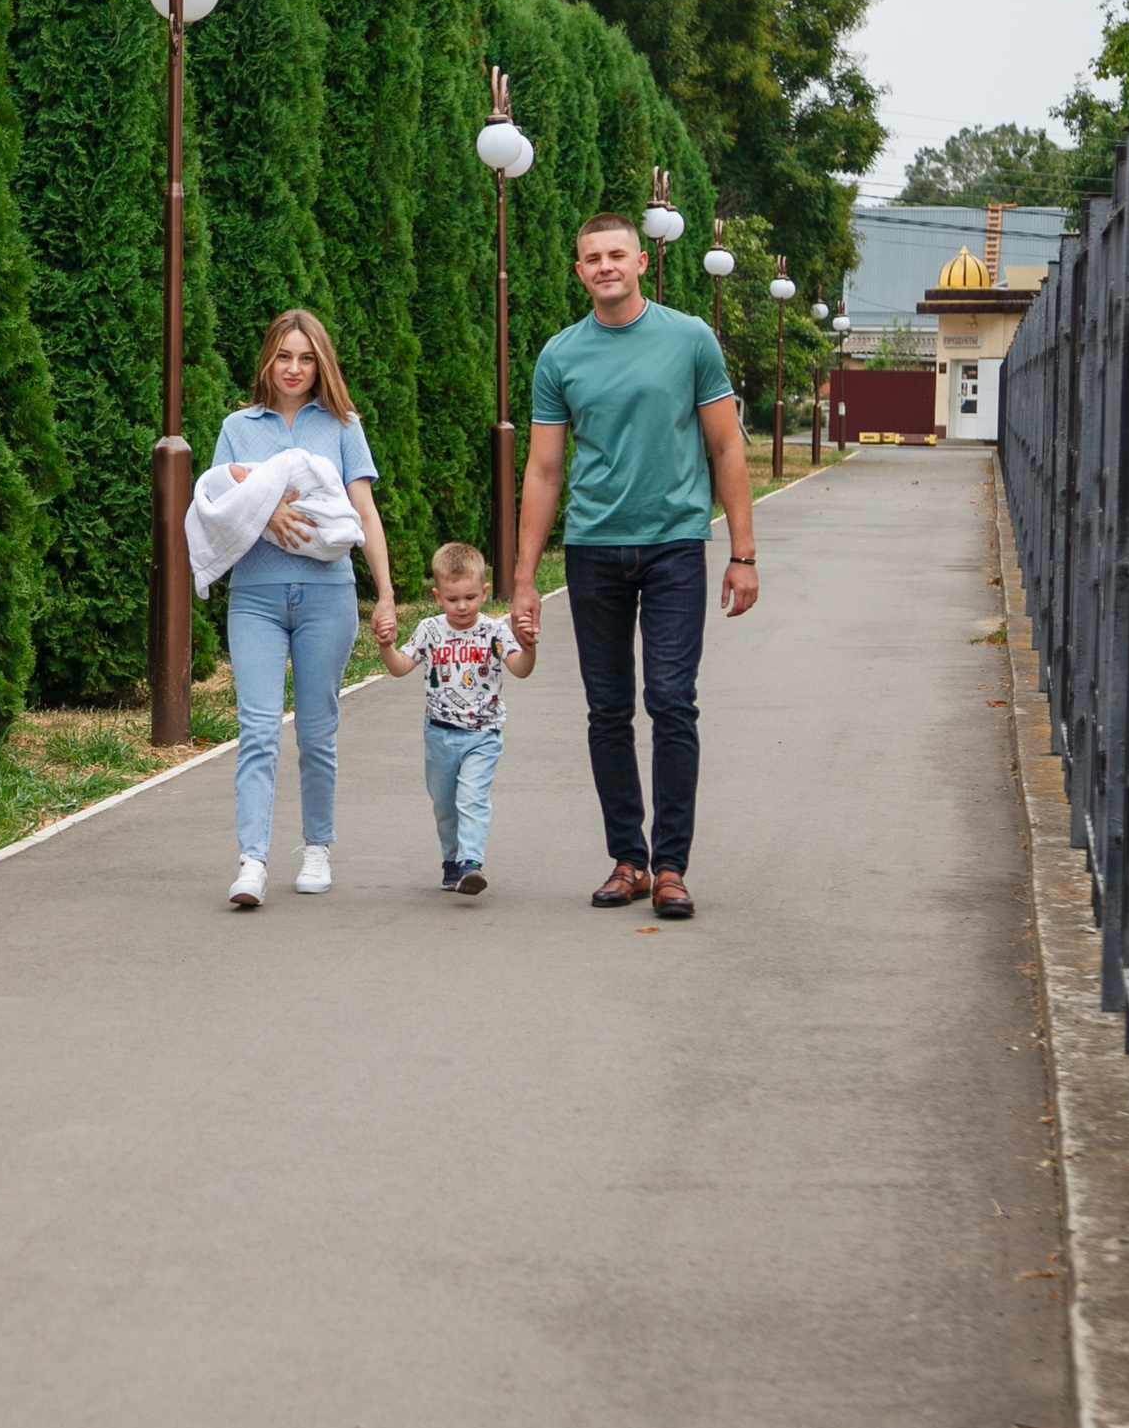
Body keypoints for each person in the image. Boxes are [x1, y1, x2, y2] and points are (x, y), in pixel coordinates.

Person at [508, 212, 757, 921]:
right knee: (607, 708)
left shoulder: (689, 340)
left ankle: (672, 866)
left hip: (676, 542)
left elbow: (727, 449)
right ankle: (629, 859)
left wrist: (743, 553)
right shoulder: (560, 356)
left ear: (642, 262)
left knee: (672, 700)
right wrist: (526, 579)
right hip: (592, 549)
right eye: (593, 257)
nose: (606, 265)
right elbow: (545, 469)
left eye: (618, 253)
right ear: (579, 271)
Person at [212, 310, 399, 908]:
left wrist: (386, 592)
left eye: (307, 358)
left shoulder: (343, 426)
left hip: (328, 596)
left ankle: (317, 847)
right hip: (256, 600)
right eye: (284, 356)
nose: (294, 369)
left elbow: (363, 513)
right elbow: (218, 502)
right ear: (269, 359)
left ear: (322, 364)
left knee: (318, 732)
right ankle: (252, 862)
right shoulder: (238, 426)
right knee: (258, 729)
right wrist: (263, 510)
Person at [375, 541, 535, 896]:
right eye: (452, 599)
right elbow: (401, 668)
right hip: (439, 735)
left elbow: (520, 670)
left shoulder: (495, 632)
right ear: (437, 596)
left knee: (472, 798)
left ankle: (471, 863)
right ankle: (452, 861)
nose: (462, 606)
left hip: (483, 734)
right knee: (445, 805)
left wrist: (529, 647)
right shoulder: (430, 630)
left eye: (470, 597)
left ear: (485, 592)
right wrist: (387, 646)